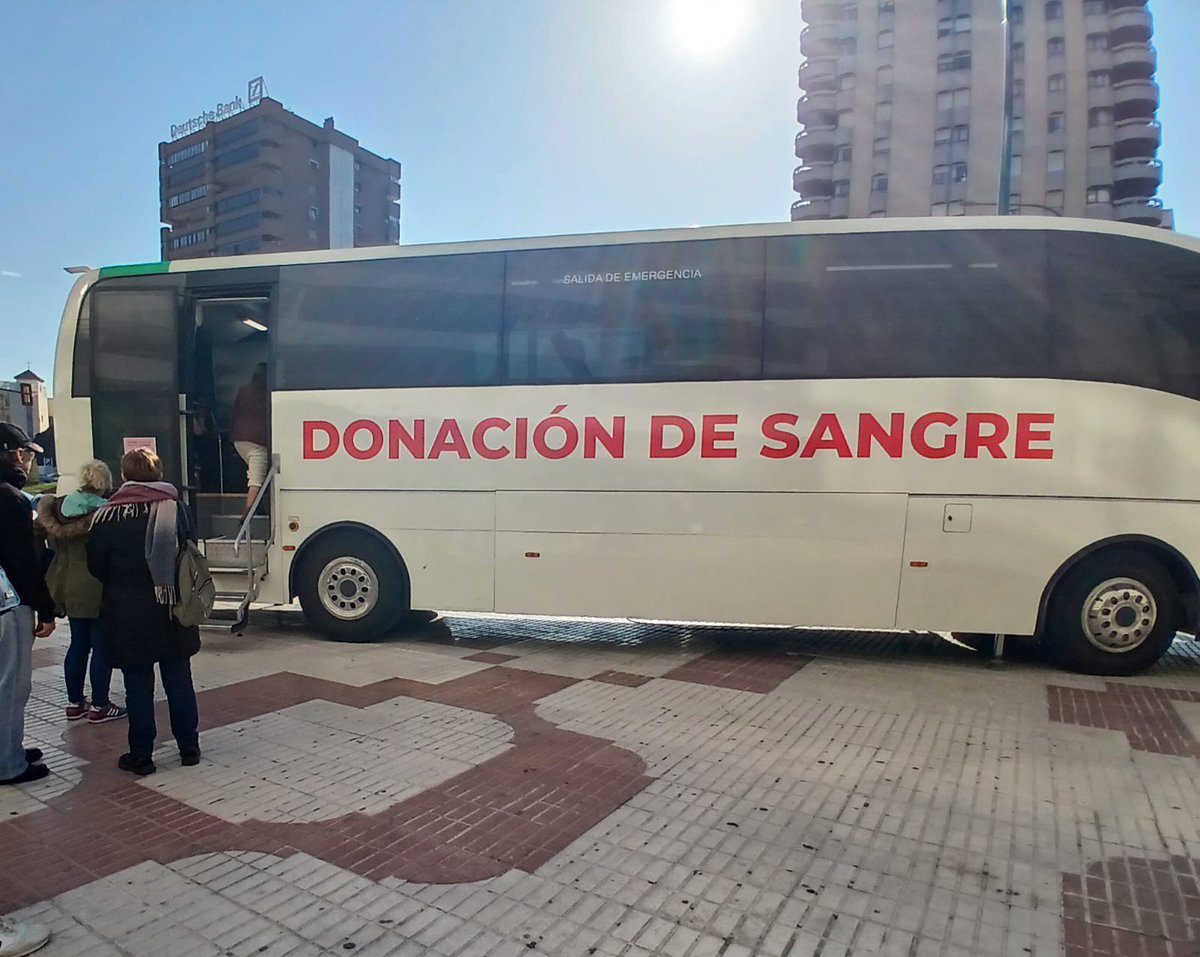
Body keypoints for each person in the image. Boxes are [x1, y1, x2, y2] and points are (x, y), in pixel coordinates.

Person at [86, 448, 200, 776]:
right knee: (179, 678)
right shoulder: (177, 508)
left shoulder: (107, 515)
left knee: (137, 683)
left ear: (124, 475)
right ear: (158, 473)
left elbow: (96, 566)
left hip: (128, 613)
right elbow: (191, 552)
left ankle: (142, 755)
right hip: (173, 610)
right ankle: (189, 747)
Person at [36, 459, 127, 724]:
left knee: (78, 644)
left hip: (66, 583)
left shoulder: (59, 507)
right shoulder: (107, 512)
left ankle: (74, 703)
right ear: (104, 482)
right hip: (97, 584)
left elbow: (36, 537)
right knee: (101, 647)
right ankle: (100, 705)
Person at [0, 422, 56, 791]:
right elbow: (23, 561)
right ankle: (9, 763)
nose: (27, 463)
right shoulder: (11, 499)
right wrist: (46, 608)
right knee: (11, 684)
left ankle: (10, 748)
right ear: (12, 454)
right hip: (9, 603)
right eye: (24, 454)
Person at [231, 362, 270, 516]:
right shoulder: (266, 394)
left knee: (260, 475)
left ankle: (259, 507)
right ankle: (247, 517)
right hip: (257, 441)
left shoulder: (244, 390)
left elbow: (234, 413)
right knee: (256, 479)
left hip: (239, 439)